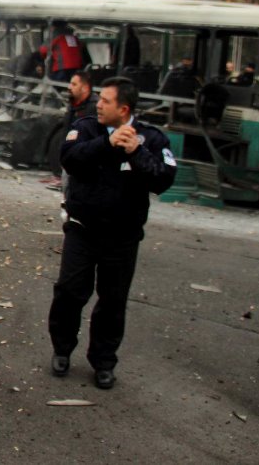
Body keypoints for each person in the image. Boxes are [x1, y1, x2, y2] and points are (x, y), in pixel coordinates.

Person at [48, 76, 177, 390]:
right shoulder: (86, 128)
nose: (98, 104)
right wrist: (107, 143)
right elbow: (69, 159)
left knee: (112, 301)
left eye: (105, 101)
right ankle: (62, 350)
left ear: (124, 109)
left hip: (123, 236)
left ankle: (104, 362)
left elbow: (163, 180)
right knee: (69, 292)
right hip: (82, 229)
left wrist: (136, 152)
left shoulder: (151, 138)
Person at [45, 71, 99, 189]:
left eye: (74, 84)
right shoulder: (73, 104)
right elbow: (67, 130)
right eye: (70, 83)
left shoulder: (94, 108)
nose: (69, 87)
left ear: (85, 88)